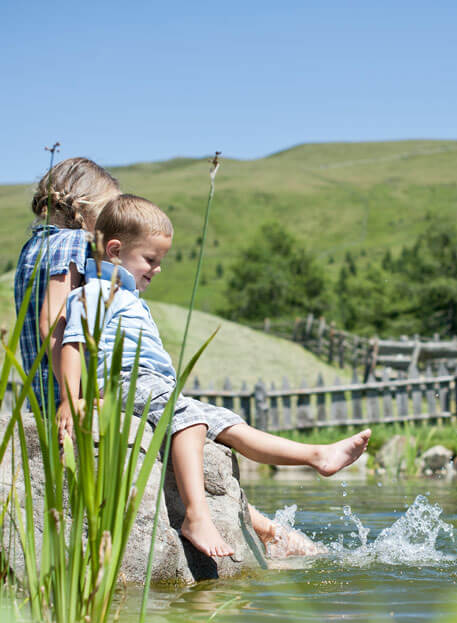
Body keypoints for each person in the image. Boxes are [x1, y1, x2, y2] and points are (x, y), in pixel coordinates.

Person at [58, 194, 371, 559]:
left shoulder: (127, 297)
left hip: (156, 388)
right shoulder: (94, 293)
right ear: (114, 250)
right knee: (191, 421)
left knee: (228, 423)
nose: (157, 270)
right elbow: (74, 343)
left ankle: (316, 456)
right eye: (151, 259)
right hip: (127, 381)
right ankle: (196, 515)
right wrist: (70, 398)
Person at [15, 158, 121, 407]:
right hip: (66, 394)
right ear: (88, 206)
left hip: (41, 393)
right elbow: (53, 321)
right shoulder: (74, 241)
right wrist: (76, 394)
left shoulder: (33, 246)